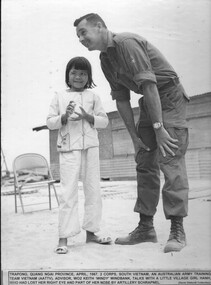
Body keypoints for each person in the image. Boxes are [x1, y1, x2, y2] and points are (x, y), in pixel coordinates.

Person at [73, 13, 190, 253]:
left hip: (168, 97)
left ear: (100, 26)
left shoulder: (126, 43)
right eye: (78, 36)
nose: (81, 39)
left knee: (169, 158)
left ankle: (177, 230)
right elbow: (122, 100)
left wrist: (158, 128)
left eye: (83, 32)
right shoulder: (105, 60)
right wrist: (135, 138)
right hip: (149, 102)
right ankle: (146, 227)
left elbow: (149, 85)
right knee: (144, 160)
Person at [46, 56, 111, 254]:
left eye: (83, 73)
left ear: (88, 76)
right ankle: (63, 238)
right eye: (74, 72)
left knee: (93, 190)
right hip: (68, 148)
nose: (78, 77)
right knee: (68, 193)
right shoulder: (59, 96)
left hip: (91, 147)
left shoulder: (93, 97)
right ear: (68, 75)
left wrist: (88, 117)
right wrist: (64, 116)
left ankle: (91, 234)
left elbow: (104, 121)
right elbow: (50, 122)